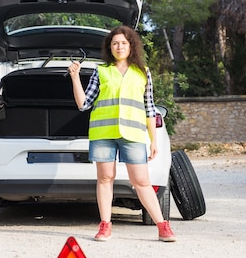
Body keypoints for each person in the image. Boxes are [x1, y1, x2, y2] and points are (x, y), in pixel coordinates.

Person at [68, 25, 176, 242]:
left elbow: (149, 108)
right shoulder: (101, 71)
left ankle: (163, 226)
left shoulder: (143, 73)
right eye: (115, 43)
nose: (119, 46)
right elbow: (82, 104)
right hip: (103, 133)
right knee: (105, 178)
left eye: (123, 43)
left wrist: (153, 141)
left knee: (142, 182)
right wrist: (75, 76)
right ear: (110, 46)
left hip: (134, 134)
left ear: (131, 45)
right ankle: (105, 225)